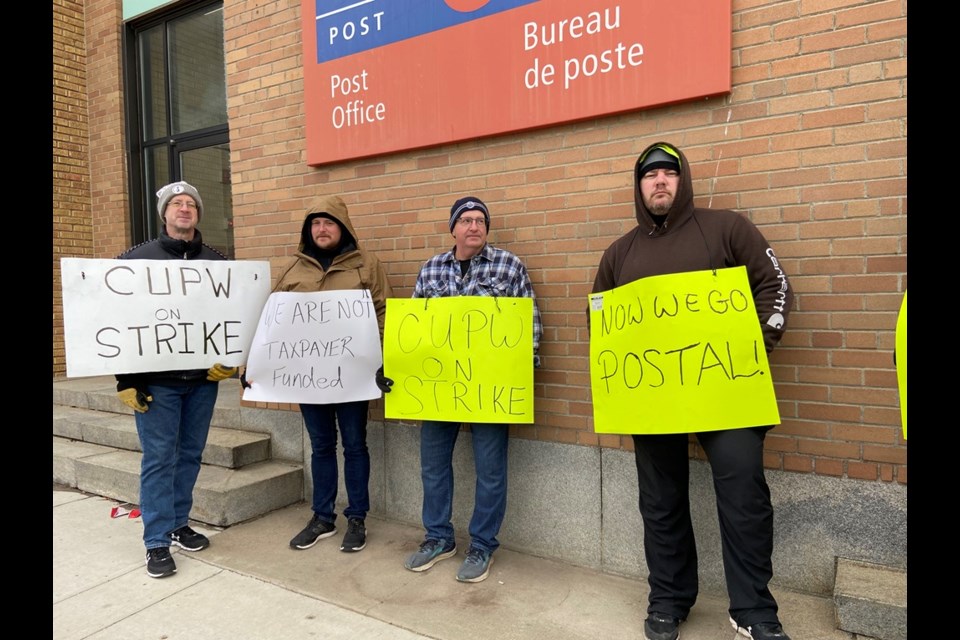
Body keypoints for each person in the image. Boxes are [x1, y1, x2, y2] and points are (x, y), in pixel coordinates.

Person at [591, 143, 793, 640]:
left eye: (669, 173)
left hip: (727, 394)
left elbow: (775, 285)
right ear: (638, 188)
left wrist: (757, 343)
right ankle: (669, 598)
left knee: (744, 496)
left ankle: (753, 610)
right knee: (660, 502)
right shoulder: (620, 253)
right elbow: (600, 320)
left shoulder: (728, 228)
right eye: (650, 175)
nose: (660, 181)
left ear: (683, 181)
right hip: (653, 399)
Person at [383, 196, 542, 584]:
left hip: (490, 391)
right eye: (466, 220)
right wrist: (396, 369)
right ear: (452, 228)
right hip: (439, 390)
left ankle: (483, 544)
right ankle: (438, 538)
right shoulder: (431, 268)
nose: (474, 226)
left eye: (480, 220)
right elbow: (415, 332)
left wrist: (520, 373)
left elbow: (529, 325)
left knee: (491, 470)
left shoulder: (509, 265)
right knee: (433, 467)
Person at [115, 181, 238, 579]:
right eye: (177, 204)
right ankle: (155, 541)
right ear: (164, 213)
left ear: (198, 214)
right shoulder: (135, 261)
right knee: (159, 459)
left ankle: (177, 523)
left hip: (203, 382)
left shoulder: (218, 264)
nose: (184, 209)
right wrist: (126, 379)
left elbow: (232, 318)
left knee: (189, 455)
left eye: (191, 205)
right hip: (158, 384)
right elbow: (119, 322)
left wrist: (230, 361)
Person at [269, 195, 393, 554]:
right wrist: (258, 367)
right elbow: (272, 322)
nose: (322, 229)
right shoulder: (294, 269)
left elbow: (384, 310)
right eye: (315, 223)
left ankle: (357, 518)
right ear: (308, 230)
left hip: (352, 375)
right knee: (321, 447)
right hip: (309, 377)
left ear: (343, 227)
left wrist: (379, 357)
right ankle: (322, 517)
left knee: (355, 446)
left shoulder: (367, 264)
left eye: (329, 222)